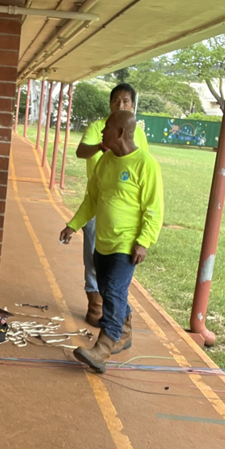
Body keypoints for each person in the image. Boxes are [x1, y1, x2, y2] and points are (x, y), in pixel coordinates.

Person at [60, 111, 163, 373]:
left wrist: (144, 241)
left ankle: (104, 347)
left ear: (120, 133)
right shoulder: (104, 161)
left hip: (127, 243)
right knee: (107, 290)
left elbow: (154, 208)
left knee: (114, 290)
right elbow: (92, 200)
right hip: (103, 241)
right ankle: (125, 330)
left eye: (106, 128)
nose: (102, 131)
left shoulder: (145, 164)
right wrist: (73, 225)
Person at [75, 83, 149, 326]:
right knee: (96, 262)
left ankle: (112, 331)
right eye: (116, 100)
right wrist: (98, 146)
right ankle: (98, 304)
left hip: (126, 218)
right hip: (98, 204)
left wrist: (144, 238)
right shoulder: (99, 131)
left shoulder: (138, 136)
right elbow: (81, 152)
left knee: (116, 277)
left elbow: (144, 173)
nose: (120, 105)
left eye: (126, 101)